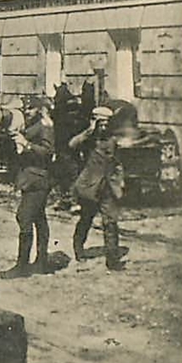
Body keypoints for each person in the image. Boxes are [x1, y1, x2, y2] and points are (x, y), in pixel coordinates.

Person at [0, 96, 55, 279]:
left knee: (23, 217)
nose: (27, 111)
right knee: (39, 219)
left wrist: (27, 144)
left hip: (37, 179)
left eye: (30, 108)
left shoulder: (45, 126)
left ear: (39, 109)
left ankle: (22, 266)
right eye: (25, 108)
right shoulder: (33, 125)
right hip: (30, 178)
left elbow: (48, 152)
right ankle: (41, 262)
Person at [70, 106, 127, 271]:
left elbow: (117, 162)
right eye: (100, 124)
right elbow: (72, 145)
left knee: (111, 222)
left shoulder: (112, 140)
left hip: (108, 187)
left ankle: (112, 260)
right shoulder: (88, 140)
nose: (103, 127)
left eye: (106, 124)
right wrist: (90, 129)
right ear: (94, 121)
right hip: (90, 187)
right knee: (86, 218)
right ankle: (78, 248)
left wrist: (120, 180)